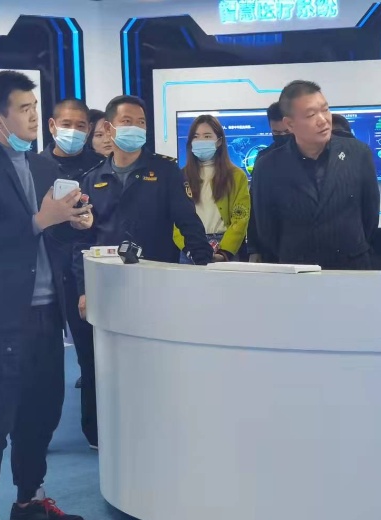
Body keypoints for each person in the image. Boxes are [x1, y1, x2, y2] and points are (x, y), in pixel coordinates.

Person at [0, 71, 93, 520]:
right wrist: (40, 219)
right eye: (25, 109)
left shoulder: (41, 165)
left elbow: (53, 232)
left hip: (46, 312)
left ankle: (29, 500)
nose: (36, 116)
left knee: (41, 412)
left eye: (36, 107)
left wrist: (75, 220)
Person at [74, 95, 212, 451]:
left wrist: (205, 269)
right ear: (109, 127)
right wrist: (84, 289)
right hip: (108, 286)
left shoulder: (164, 172)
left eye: (141, 122)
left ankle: (159, 426)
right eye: (127, 121)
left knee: (155, 361)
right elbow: (82, 242)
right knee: (105, 362)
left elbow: (188, 223)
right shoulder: (92, 179)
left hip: (155, 284)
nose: (135, 128)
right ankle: (101, 433)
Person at [253, 80, 380, 269]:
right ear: (290, 124)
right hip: (298, 270)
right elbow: (267, 230)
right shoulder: (268, 166)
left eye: (325, 109)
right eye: (311, 115)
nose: (323, 120)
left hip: (352, 267)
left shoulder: (358, 153)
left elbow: (370, 216)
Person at [40, 98, 105, 422]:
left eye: (81, 126)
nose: (74, 131)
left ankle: (95, 430)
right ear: (52, 126)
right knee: (43, 359)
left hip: (87, 272)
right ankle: (36, 431)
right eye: (67, 125)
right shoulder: (35, 167)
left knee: (93, 356)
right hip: (45, 275)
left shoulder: (100, 167)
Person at [173, 114, 250, 264]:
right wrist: (191, 249)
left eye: (207, 136)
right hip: (191, 245)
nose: (201, 141)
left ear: (219, 141)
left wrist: (224, 252)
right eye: (196, 137)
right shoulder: (181, 176)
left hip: (225, 245)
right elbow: (175, 223)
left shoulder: (237, 176)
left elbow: (241, 218)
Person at [248, 102, 292, 262]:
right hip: (271, 245)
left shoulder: (310, 156)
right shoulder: (264, 160)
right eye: (276, 133)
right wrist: (254, 249)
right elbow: (255, 205)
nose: (282, 137)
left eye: (287, 132)